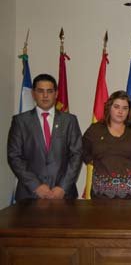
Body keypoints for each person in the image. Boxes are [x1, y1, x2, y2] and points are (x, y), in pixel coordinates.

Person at [7, 73, 82, 201]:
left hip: (64, 195)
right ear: (33, 93)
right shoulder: (20, 121)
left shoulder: (69, 121)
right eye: (40, 91)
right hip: (30, 195)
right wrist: (36, 186)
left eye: (50, 91)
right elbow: (14, 156)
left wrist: (62, 188)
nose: (45, 95)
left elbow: (77, 155)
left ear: (56, 94)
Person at [82, 90, 131, 199]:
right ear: (109, 107)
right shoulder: (95, 130)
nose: (120, 111)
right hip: (101, 196)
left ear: (129, 111)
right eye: (116, 107)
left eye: (125, 108)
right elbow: (82, 150)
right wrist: (98, 163)